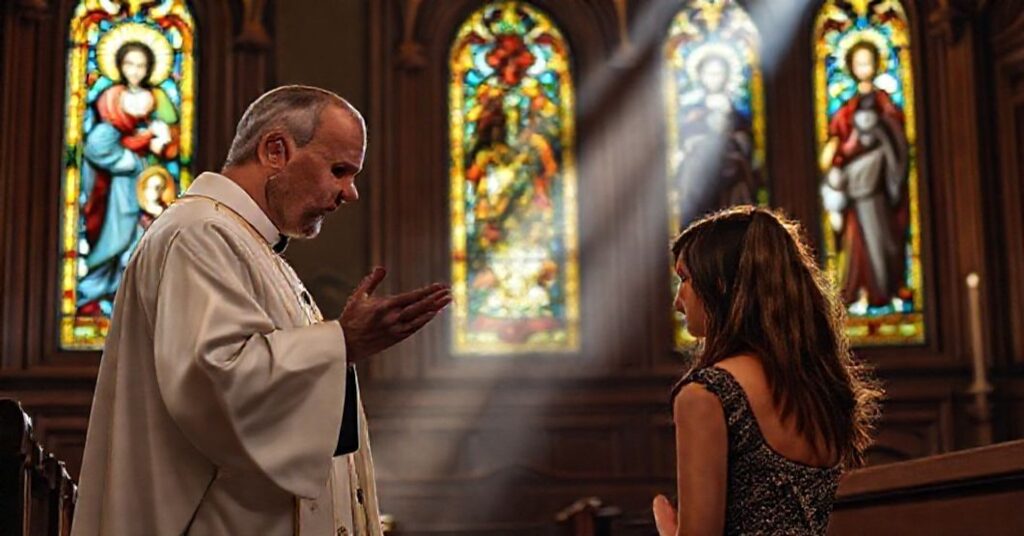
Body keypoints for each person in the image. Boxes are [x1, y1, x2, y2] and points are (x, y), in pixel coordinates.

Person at [71, 85, 452, 536]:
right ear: (275, 150)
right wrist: (340, 343)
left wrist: (335, 347)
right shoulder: (199, 234)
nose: (349, 193)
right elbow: (213, 379)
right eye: (339, 170)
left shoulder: (251, 246)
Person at [652, 206, 881, 535]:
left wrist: (670, 529)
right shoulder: (819, 386)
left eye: (684, 279)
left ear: (719, 285)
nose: (678, 300)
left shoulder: (707, 395)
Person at [78, 39, 180, 316]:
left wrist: (163, 140)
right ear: (120, 66)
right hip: (116, 186)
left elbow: (173, 138)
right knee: (114, 238)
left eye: (141, 65)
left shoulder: (159, 99)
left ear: (149, 68)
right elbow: (96, 145)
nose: (135, 70)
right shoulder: (109, 98)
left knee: (143, 240)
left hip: (149, 182)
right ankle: (96, 293)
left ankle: (136, 304)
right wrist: (133, 152)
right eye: (129, 64)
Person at [819, 40, 910, 311]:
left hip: (879, 184)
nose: (863, 68)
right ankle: (860, 292)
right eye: (858, 63)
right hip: (854, 186)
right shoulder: (847, 108)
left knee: (882, 237)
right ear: (851, 68)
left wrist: (881, 133)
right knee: (856, 239)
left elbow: (896, 137)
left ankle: (886, 289)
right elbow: (836, 142)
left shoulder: (885, 102)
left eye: (867, 62)